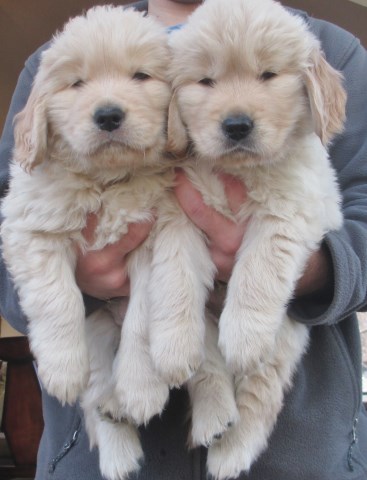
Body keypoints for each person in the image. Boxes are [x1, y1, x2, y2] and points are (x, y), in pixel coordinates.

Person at [0, 0, 366, 478]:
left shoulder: (333, 49)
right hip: (89, 455)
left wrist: (309, 267)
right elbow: (16, 232)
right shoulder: (50, 61)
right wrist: (81, 282)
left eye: (140, 78)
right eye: (206, 82)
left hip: (301, 455)